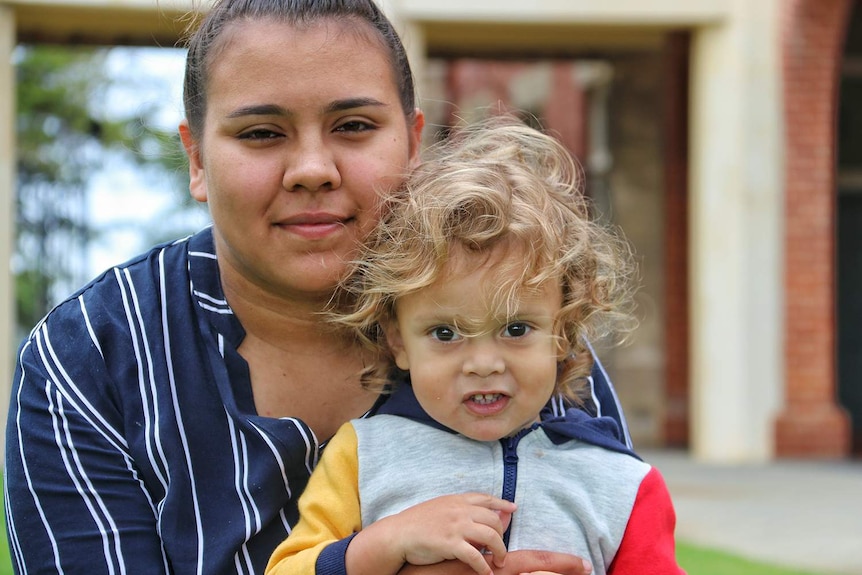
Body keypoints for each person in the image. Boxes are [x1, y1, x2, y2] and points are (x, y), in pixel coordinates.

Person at [4, 1, 625, 574]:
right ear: (196, 159)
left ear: (412, 142)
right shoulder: (91, 358)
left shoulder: (514, 333)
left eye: (353, 126)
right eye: (261, 133)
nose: (311, 170)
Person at [265, 118, 685, 575]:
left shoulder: (623, 485)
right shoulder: (363, 455)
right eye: (445, 333)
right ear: (397, 340)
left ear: (562, 332)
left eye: (516, 329)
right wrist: (382, 544)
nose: (483, 364)